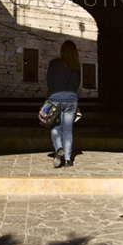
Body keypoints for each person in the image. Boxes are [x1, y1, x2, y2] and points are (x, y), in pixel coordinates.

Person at [47, 40, 81, 168]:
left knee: (55, 127)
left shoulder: (54, 64)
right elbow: (77, 84)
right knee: (68, 130)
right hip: (71, 100)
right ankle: (67, 159)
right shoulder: (76, 67)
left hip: (55, 98)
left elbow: (49, 83)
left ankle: (59, 147)